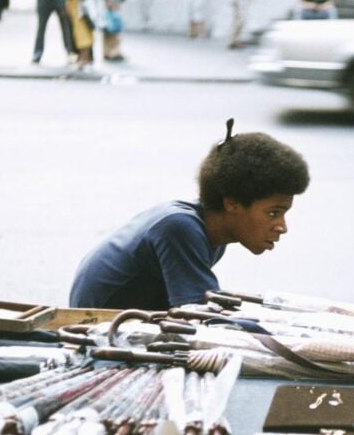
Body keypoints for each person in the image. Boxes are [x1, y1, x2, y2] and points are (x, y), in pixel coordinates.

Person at [69, 120, 310, 311]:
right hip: (98, 329)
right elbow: (200, 315)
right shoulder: (180, 226)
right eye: (272, 213)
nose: (281, 227)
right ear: (232, 203)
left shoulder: (211, 234)